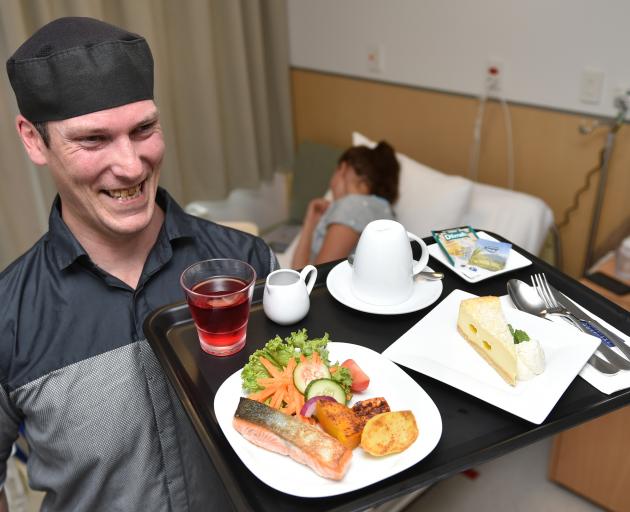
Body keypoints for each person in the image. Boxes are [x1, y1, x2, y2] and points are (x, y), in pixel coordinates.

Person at [0, 17, 277, 512]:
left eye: (143, 129)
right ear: (34, 140)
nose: (130, 165)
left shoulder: (248, 265)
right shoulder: (8, 316)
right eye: (93, 140)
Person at [291, 141, 400, 268]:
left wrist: (309, 224)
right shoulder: (380, 208)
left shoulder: (352, 207)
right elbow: (298, 273)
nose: (331, 185)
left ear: (342, 168)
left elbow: (317, 279)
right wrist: (310, 222)